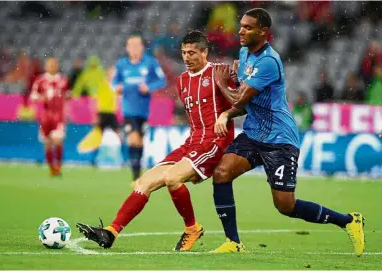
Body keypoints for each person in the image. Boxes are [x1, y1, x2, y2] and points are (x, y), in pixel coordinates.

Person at [210, 8, 365, 256]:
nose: (240, 31)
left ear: (263, 32)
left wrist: (221, 83)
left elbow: (239, 99)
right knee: (221, 172)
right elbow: (245, 103)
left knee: (285, 206)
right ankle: (233, 242)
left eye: (247, 27)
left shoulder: (269, 62)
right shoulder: (243, 53)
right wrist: (228, 111)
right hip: (253, 134)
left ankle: (348, 221)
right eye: (241, 25)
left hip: (280, 140)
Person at [76, 30, 237, 252]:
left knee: (172, 177)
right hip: (192, 142)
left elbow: (243, 102)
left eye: (192, 53)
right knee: (144, 183)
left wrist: (225, 115)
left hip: (214, 142)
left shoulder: (220, 72)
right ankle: (111, 232)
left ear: (205, 52)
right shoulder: (182, 81)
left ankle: (192, 228)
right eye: (183, 53)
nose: (187, 57)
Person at [112, 35, 167, 183]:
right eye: (132, 45)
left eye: (137, 45)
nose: (135, 48)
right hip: (128, 109)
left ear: (142, 47)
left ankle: (137, 173)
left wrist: (149, 87)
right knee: (133, 139)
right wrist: (116, 87)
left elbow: (162, 80)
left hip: (143, 110)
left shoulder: (150, 62)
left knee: (139, 142)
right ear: (127, 48)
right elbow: (114, 81)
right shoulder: (121, 64)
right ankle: (135, 176)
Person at [30, 58, 70, 176]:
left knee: (58, 141)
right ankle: (51, 168)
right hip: (45, 117)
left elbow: (67, 94)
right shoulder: (40, 80)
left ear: (57, 66)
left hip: (59, 116)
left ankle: (58, 167)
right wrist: (41, 98)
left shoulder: (63, 80)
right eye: (49, 64)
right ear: (46, 66)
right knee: (47, 143)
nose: (52, 66)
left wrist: (68, 97)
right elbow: (33, 96)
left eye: (54, 64)